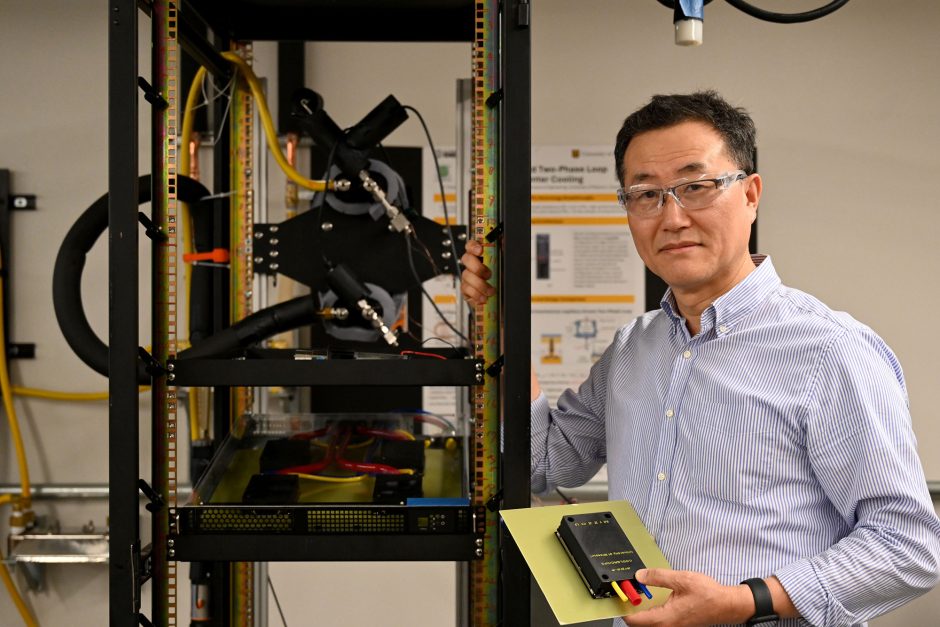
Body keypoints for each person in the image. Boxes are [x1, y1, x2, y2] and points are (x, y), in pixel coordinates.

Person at [460, 91, 940, 627]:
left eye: (696, 187)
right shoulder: (632, 349)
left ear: (752, 194)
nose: (672, 217)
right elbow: (544, 465)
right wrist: (504, 320)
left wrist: (744, 600)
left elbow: (908, 547)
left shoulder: (829, 352)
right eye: (645, 194)